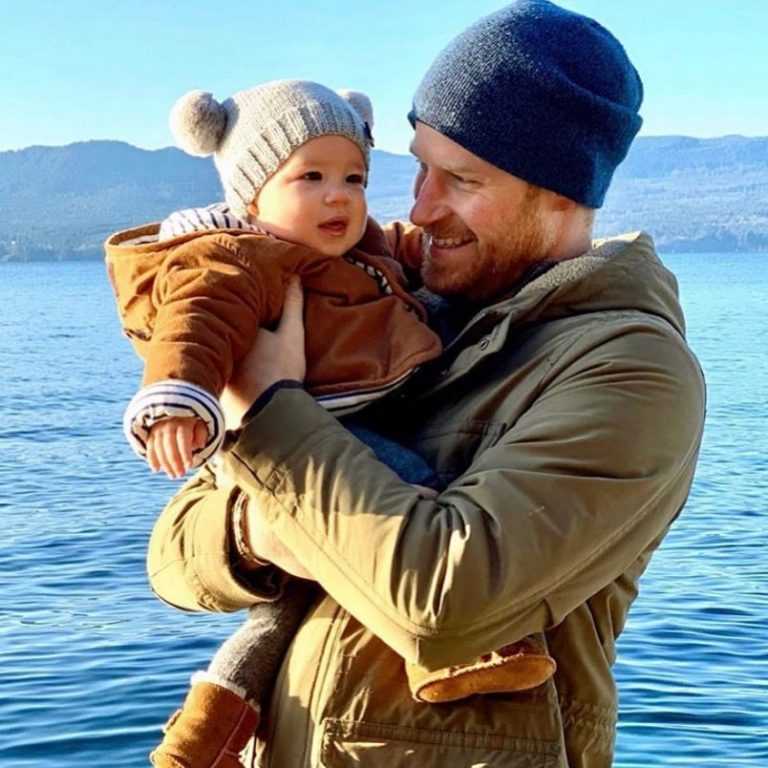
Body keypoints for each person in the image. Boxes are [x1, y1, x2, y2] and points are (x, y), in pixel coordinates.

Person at [147, 1, 706, 766]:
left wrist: (270, 414)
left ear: (562, 192)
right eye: (418, 167)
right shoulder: (392, 304)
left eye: (462, 180)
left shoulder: (630, 368)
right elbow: (172, 557)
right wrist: (255, 533)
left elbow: (446, 605)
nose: (420, 207)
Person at [106, 79, 555, 768]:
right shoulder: (234, 259)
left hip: (315, 434)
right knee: (415, 489)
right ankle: (474, 644)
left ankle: (207, 732)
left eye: (354, 178)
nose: (339, 196)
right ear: (251, 193)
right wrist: (177, 402)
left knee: (282, 609)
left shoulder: (352, 249)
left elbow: (402, 250)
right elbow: (195, 325)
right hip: (314, 430)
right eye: (310, 177)